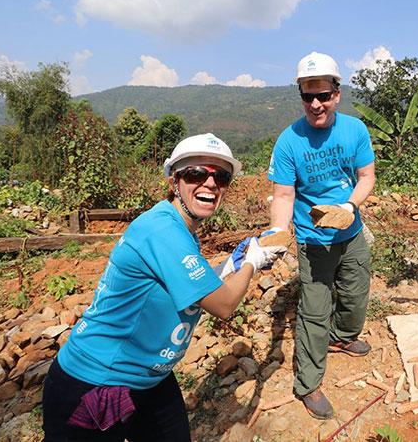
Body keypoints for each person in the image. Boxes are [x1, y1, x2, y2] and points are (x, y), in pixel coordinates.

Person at [42, 134, 287, 441]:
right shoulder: (162, 230)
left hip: (148, 380)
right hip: (100, 384)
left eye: (221, 177)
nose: (210, 183)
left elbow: (186, 282)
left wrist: (230, 265)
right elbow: (223, 306)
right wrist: (252, 261)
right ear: (175, 181)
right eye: (197, 173)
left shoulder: (180, 228)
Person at [268, 52, 375, 420]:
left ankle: (343, 336)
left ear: (337, 94)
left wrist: (349, 207)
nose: (316, 104)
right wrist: (279, 234)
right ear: (300, 95)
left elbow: (366, 177)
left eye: (323, 95)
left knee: (356, 291)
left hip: (352, 231)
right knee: (314, 310)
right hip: (314, 242)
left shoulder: (355, 131)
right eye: (307, 96)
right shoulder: (289, 141)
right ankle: (308, 384)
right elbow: (283, 195)